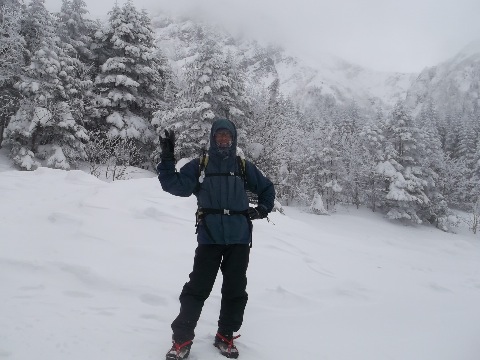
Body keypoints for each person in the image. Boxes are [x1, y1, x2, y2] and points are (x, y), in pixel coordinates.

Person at [157, 118, 275, 360]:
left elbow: (266, 188)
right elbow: (174, 185)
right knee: (197, 288)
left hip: (239, 239)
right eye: (219, 135)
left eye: (227, 136)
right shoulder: (202, 165)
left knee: (235, 290)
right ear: (213, 138)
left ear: (233, 139)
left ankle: (225, 335)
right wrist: (167, 158)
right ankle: (182, 340)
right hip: (210, 238)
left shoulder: (242, 166)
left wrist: (262, 209)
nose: (223, 139)